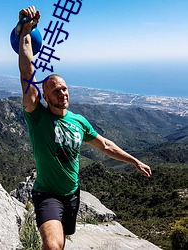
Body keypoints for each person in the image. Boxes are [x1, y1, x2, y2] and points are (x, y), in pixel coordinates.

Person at [17, 6, 152, 250]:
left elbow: (106, 145)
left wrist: (134, 161)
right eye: (55, 90)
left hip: (72, 194)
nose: (62, 92)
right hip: (47, 194)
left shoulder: (80, 121)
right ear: (44, 96)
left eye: (64, 88)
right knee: (52, 246)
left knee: (63, 241)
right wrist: (25, 31)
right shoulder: (37, 117)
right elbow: (27, 72)